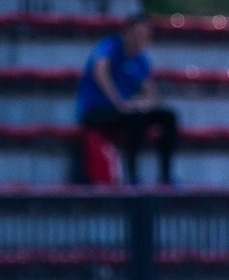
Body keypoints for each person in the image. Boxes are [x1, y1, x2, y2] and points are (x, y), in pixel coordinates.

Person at [76, 14, 178, 184]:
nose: (141, 39)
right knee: (136, 117)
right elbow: (100, 71)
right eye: (138, 34)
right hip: (97, 111)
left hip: (123, 112)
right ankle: (132, 175)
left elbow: (151, 92)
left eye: (145, 35)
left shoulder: (140, 60)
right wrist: (119, 102)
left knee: (167, 117)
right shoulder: (111, 46)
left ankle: (165, 176)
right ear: (128, 32)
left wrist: (144, 104)